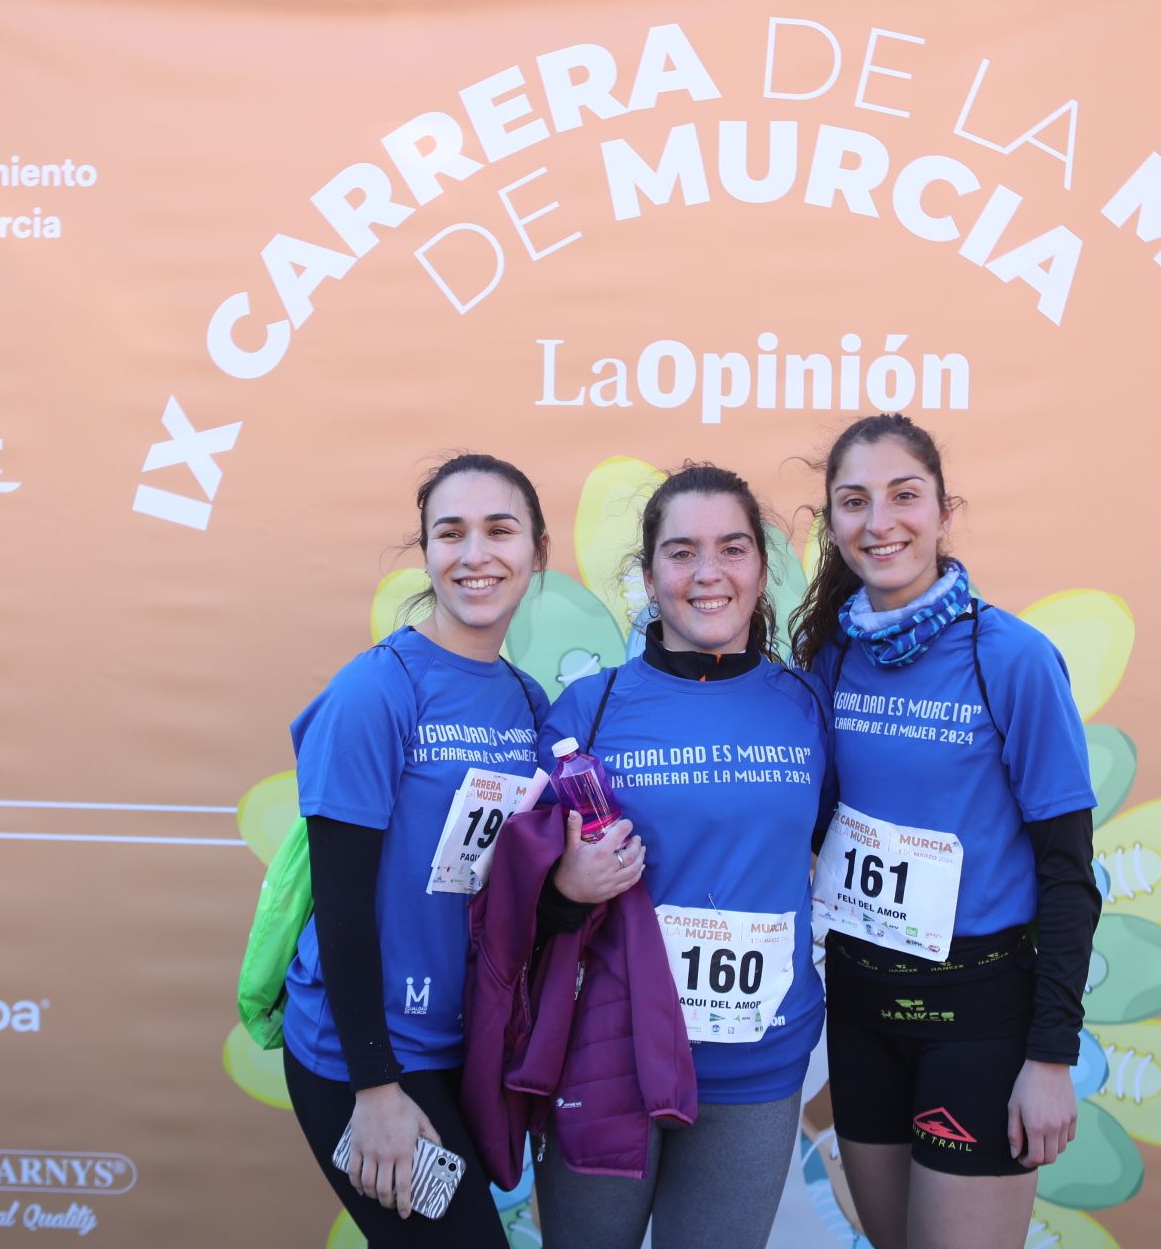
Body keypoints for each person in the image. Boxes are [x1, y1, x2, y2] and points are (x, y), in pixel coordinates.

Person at [792, 414, 1102, 1249]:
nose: (879, 520)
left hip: (979, 1021)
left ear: (944, 510)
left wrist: (1051, 1057)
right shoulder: (831, 656)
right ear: (833, 524)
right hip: (859, 1011)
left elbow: (1070, 871)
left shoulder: (1011, 658)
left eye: (904, 496)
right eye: (854, 502)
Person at [533, 463, 831, 1249]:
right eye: (681, 552)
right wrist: (566, 888)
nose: (708, 574)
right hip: (608, 1060)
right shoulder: (586, 710)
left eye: (732, 548)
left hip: (757, 1064)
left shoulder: (805, 706)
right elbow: (510, 900)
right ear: (648, 573)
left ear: (761, 570)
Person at [281, 453, 551, 1246]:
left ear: (538, 549)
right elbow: (341, 901)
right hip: (361, 1059)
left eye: (500, 531)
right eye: (450, 533)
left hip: (457, 1051)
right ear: (426, 551)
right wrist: (374, 1086)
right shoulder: (378, 689)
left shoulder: (526, 701)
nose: (476, 555)